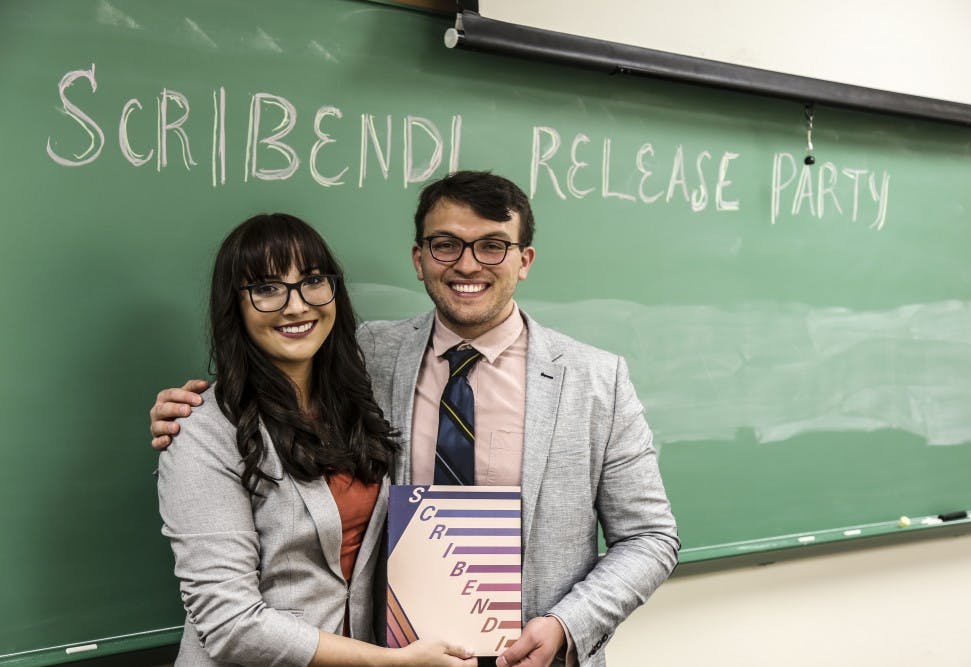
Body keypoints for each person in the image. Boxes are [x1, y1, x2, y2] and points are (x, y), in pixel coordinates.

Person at [151, 173, 680, 667]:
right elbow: (266, 382)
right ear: (419, 258)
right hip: (393, 654)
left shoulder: (596, 380)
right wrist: (188, 410)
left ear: (525, 260)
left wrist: (567, 625)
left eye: (493, 245)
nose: (467, 265)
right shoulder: (367, 356)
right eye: (445, 244)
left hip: (527, 654)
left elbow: (651, 536)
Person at [156, 212, 476, 667]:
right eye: (267, 288)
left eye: (312, 281)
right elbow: (230, 625)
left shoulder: (359, 403)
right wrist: (392, 662)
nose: (296, 306)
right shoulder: (204, 431)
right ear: (235, 306)